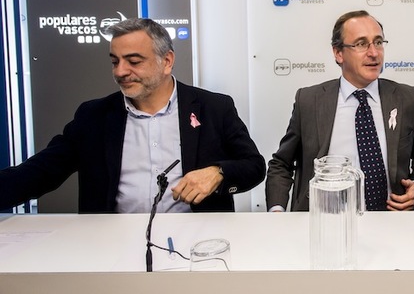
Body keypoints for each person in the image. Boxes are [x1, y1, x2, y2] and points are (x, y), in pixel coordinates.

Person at [0, 18, 265, 213]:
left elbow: (254, 166)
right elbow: (41, 172)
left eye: (134, 61)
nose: (120, 71)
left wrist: (217, 172)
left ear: (167, 61)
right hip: (113, 248)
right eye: (115, 61)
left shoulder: (213, 107)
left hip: (198, 244)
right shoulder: (94, 117)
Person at [265, 10, 414, 212]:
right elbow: (281, 164)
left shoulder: (407, 98)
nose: (374, 53)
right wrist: (276, 212)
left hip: (394, 219)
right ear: (338, 53)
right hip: (326, 220)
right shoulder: (309, 101)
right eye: (361, 44)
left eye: (379, 42)